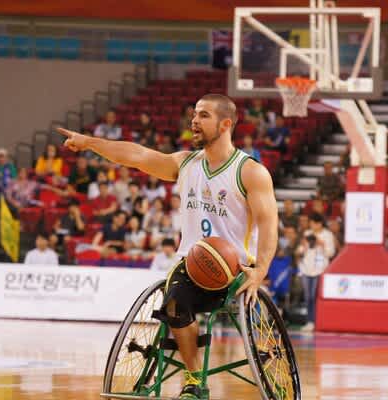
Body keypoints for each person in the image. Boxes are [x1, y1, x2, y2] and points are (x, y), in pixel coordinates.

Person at [57, 93, 278, 400]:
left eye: (203, 115)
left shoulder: (250, 172)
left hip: (235, 268)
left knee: (189, 294)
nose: (194, 121)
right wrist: (89, 143)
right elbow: (136, 155)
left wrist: (260, 270)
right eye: (194, 114)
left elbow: (269, 223)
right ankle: (194, 380)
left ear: (226, 124)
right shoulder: (185, 163)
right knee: (174, 302)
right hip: (192, 264)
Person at [296, 212, 335, 332]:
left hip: (320, 270)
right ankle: (309, 321)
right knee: (308, 297)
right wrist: (303, 246)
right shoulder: (307, 233)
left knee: (315, 296)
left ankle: (318, 321)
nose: (311, 225)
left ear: (319, 224)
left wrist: (322, 244)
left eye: (313, 223)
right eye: (310, 223)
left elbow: (331, 253)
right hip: (306, 269)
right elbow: (300, 251)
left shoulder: (328, 235)